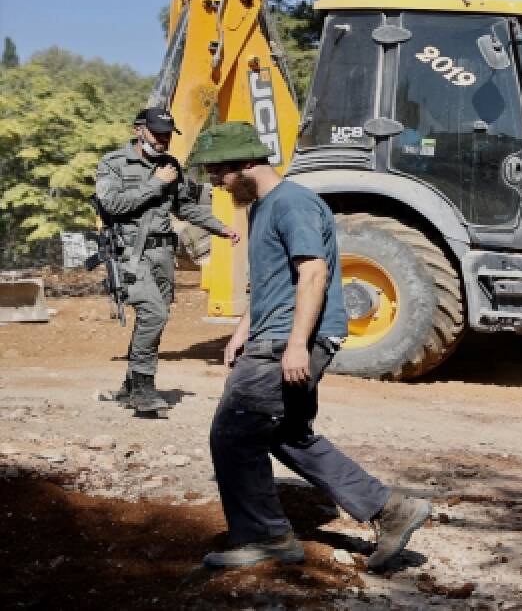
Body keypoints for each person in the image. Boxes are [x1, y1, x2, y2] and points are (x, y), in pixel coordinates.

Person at [190, 121, 430, 570]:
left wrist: (296, 344)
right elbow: (269, 282)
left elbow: (313, 273)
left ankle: (267, 537)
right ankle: (391, 510)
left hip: (290, 337)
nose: (216, 184)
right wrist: (243, 331)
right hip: (275, 331)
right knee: (286, 434)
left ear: (245, 164)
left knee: (234, 432)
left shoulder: (292, 203)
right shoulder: (261, 208)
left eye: (218, 173)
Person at [94, 107, 240, 415]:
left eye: (167, 135)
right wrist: (155, 184)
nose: (163, 140)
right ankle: (144, 390)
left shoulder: (171, 165)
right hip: (132, 254)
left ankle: (130, 386)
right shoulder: (114, 163)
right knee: (153, 314)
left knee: (155, 318)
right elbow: (111, 204)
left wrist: (220, 227)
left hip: (163, 254)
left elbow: (184, 207)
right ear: (139, 130)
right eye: (157, 133)